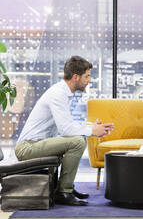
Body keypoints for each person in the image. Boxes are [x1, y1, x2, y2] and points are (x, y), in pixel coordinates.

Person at [15, 56, 114, 206]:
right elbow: (66, 129)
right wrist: (92, 130)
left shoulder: (63, 92)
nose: (90, 80)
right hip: (27, 148)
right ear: (76, 77)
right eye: (87, 76)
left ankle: (66, 187)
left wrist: (91, 127)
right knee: (77, 141)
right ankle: (64, 192)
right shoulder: (58, 94)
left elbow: (67, 125)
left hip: (37, 144)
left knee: (79, 139)